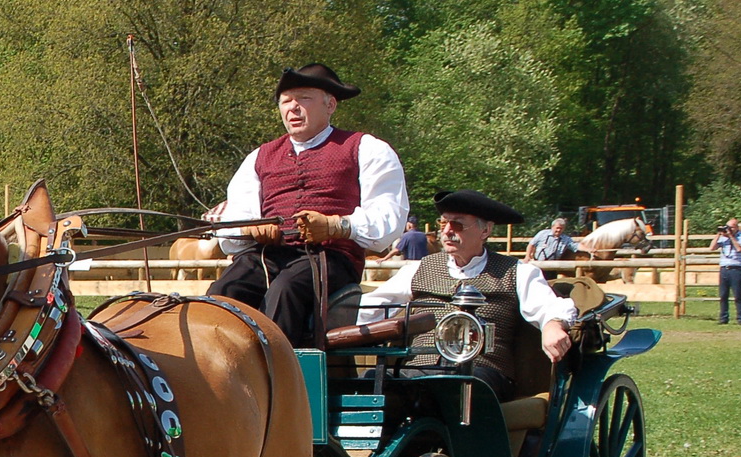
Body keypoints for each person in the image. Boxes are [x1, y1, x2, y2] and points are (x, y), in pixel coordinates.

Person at [208, 63, 409, 346]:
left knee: (286, 290)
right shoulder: (259, 157)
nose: (293, 108)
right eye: (286, 101)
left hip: (331, 259)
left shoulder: (366, 148)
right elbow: (236, 219)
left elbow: (389, 217)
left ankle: (281, 384)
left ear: (330, 105)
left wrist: (336, 226)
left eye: (304, 98)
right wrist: (251, 228)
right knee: (222, 292)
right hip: (269, 257)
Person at [358, 190, 576, 401]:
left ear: (485, 231)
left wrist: (553, 325)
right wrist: (335, 320)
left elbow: (548, 306)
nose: (447, 232)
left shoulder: (518, 271)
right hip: (417, 371)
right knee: (368, 383)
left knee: (458, 388)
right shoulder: (419, 269)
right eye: (443, 224)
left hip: (483, 375)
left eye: (458, 225)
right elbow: (374, 305)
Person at [711, 219, 741, 325]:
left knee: (738, 294)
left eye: (732, 227)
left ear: (737, 227)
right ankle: (723, 317)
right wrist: (718, 234)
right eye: (728, 227)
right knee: (723, 295)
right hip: (724, 268)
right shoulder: (722, 237)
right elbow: (712, 248)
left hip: (736, 268)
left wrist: (731, 236)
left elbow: (739, 249)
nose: (729, 229)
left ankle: (740, 318)